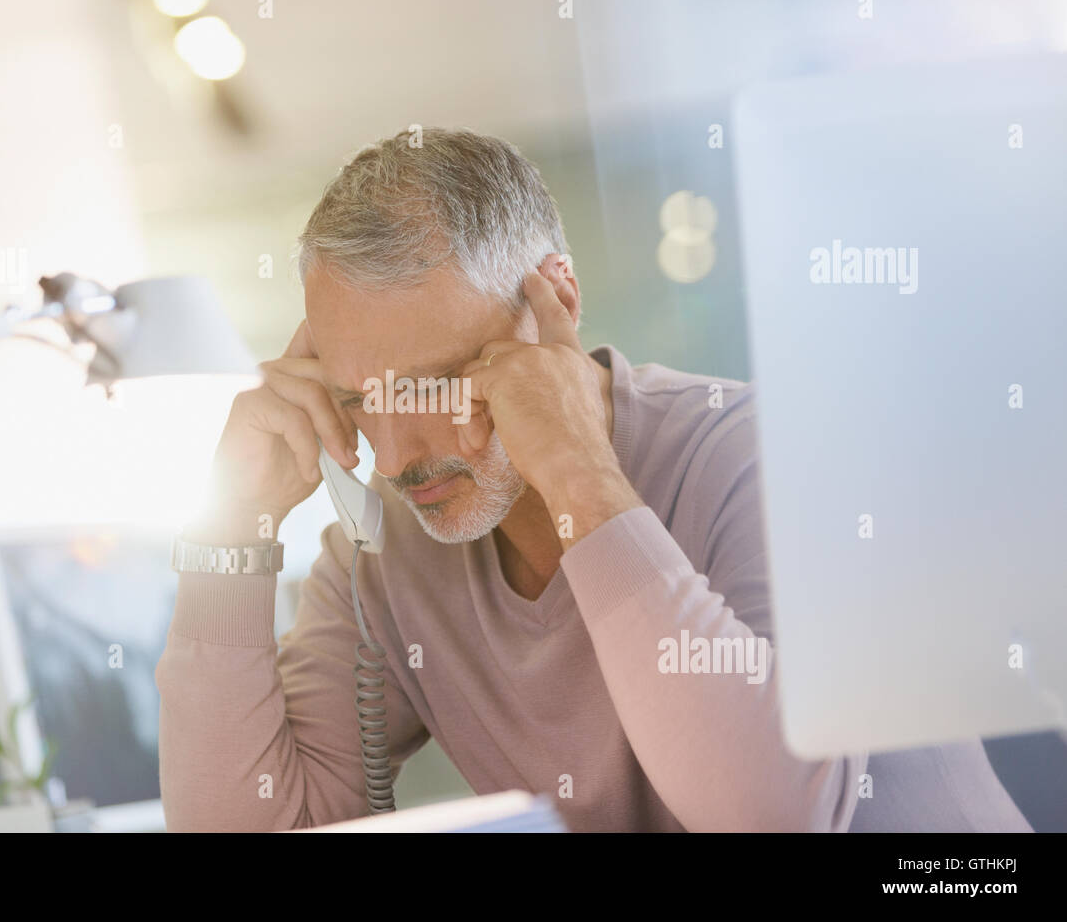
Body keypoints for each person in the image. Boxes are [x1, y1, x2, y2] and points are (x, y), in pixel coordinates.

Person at [155, 127, 1030, 832]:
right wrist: (229, 534)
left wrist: (580, 477)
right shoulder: (382, 551)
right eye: (359, 399)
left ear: (557, 305)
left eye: (440, 383)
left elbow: (775, 816)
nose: (393, 455)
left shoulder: (764, 451)